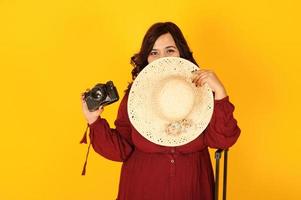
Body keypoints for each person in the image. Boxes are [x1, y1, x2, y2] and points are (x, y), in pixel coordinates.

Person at [81, 22, 240, 200]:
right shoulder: (135, 97)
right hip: (142, 189)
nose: (162, 57)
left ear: (181, 53)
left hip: (192, 189)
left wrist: (220, 92)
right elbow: (120, 151)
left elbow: (224, 139)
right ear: (146, 58)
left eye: (170, 50)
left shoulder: (203, 92)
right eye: (154, 52)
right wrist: (94, 121)